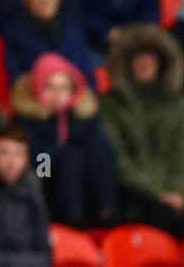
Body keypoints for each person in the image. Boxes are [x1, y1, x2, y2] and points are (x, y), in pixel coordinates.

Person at [99, 23, 184, 238]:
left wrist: (178, 192)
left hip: (180, 194)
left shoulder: (181, 104)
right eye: (139, 57)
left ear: (162, 63)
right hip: (134, 193)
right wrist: (158, 193)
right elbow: (115, 156)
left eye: (151, 58)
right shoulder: (110, 105)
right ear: (127, 63)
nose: (145, 63)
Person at [0, 126, 105, 267]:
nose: (11, 161)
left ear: (26, 159)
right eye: (3, 153)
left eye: (18, 154)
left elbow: (45, 256)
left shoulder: (34, 194)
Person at [11, 52, 118, 228]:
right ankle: (73, 215)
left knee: (96, 149)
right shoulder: (27, 121)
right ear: (37, 88)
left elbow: (102, 157)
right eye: (49, 87)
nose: (57, 95)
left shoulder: (85, 120)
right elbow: (39, 163)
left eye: (63, 88)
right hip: (44, 186)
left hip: (85, 189)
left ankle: (107, 209)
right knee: (70, 155)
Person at [0, 0, 101, 88]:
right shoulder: (13, 34)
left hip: (75, 100)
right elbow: (16, 79)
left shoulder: (74, 29)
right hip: (34, 101)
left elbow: (87, 74)